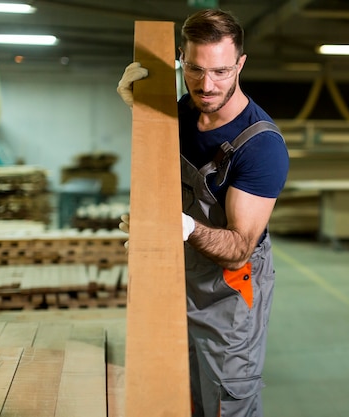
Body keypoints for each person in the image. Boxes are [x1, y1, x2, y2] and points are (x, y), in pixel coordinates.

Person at [116, 8, 289, 417]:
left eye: (221, 72)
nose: (206, 85)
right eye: (194, 69)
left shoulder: (260, 146)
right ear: (180, 57)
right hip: (178, 279)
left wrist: (183, 225)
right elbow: (158, 169)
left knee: (226, 402)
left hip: (229, 293)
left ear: (240, 64)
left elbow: (240, 248)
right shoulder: (178, 113)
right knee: (178, 394)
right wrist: (139, 109)